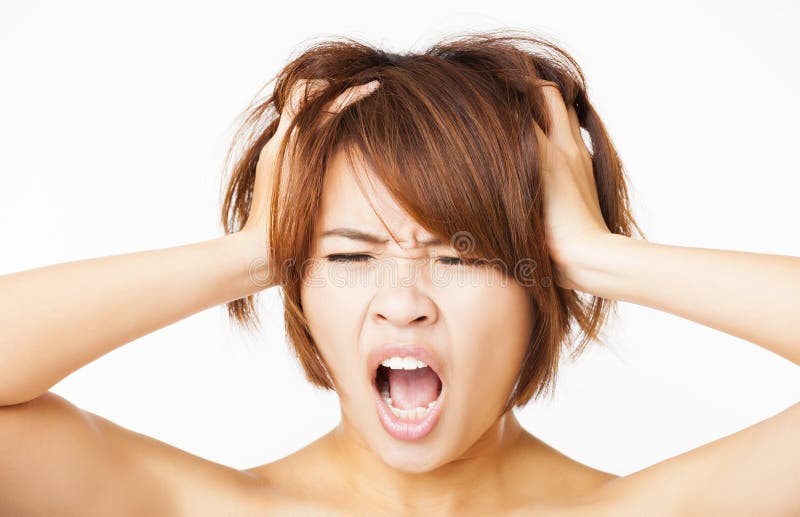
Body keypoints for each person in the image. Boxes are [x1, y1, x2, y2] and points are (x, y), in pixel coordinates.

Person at [1, 31, 798, 516]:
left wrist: (594, 255)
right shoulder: (186, 505)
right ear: (299, 288)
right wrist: (252, 249)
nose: (403, 304)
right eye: (349, 257)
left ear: (537, 286)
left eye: (463, 257)